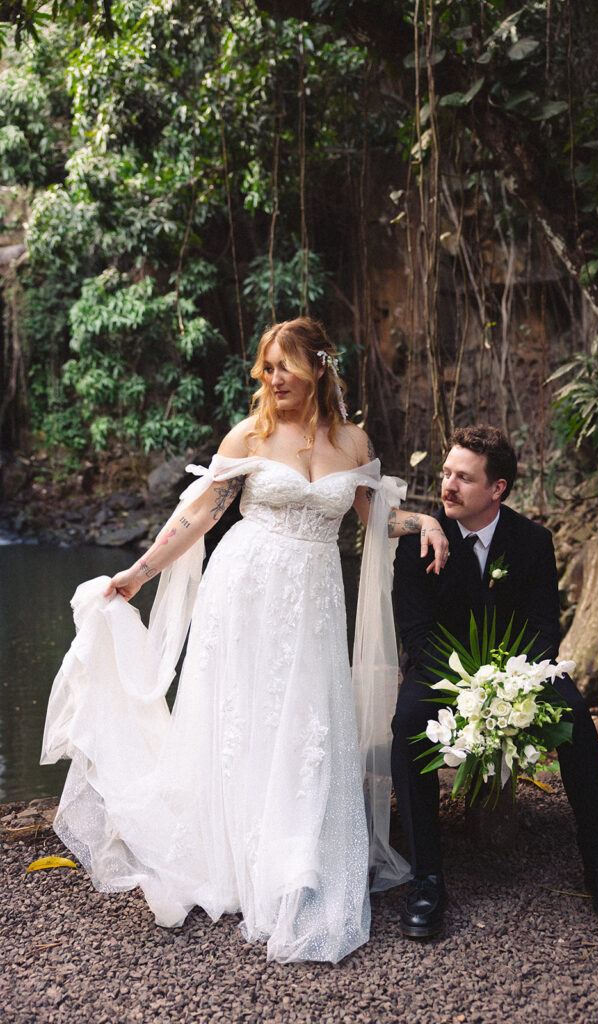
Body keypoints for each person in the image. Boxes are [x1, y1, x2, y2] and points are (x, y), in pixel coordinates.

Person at [41, 317, 449, 964]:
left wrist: (423, 517)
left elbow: (373, 519)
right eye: (266, 366)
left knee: (307, 724)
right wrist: (138, 574)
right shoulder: (250, 435)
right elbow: (199, 513)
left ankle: (297, 860)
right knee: (243, 720)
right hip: (245, 592)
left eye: (285, 363)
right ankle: (235, 853)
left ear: (319, 364)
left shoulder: (352, 440)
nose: (273, 376)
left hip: (313, 600)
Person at [391, 424, 598, 939]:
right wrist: (465, 689)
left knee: (576, 720)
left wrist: (508, 686)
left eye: (463, 477)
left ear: (496, 489)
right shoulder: (420, 541)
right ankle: (427, 877)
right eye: (446, 473)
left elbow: (545, 627)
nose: (447, 486)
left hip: (517, 675)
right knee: (408, 721)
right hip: (441, 674)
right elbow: (415, 630)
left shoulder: (532, 542)